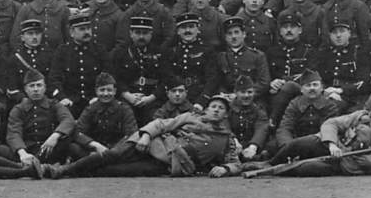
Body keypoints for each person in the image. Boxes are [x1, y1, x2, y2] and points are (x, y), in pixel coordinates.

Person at [44, 95, 242, 178]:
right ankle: (62, 171)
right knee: (112, 155)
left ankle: (75, 168)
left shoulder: (226, 138)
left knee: (117, 171)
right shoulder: (190, 116)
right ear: (207, 109)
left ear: (226, 114)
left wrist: (224, 168)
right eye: (214, 107)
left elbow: (235, 162)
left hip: (170, 163)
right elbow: (161, 124)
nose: (216, 111)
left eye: (221, 109)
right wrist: (146, 135)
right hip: (154, 141)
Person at [69, 72, 139, 161]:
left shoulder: (124, 109)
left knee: (131, 149)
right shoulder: (90, 109)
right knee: (73, 147)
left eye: (109, 90)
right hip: (96, 150)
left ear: (115, 91)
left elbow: (131, 133)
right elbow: (78, 132)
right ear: (96, 91)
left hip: (117, 151)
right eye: (102, 90)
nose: (105, 94)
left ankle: (93, 163)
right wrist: (95, 145)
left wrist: (113, 152)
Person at [49, 13, 107, 117]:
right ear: (71, 32)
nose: (87, 32)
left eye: (88, 28)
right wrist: (62, 98)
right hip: (70, 102)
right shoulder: (63, 51)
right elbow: (54, 79)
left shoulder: (99, 50)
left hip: (95, 100)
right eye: (82, 29)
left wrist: (98, 96)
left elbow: (107, 76)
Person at [229, 76, 271, 161]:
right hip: (231, 147)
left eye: (250, 92)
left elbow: (261, 128)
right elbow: (224, 126)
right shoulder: (228, 109)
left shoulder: (258, 110)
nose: (246, 95)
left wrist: (253, 147)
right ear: (235, 92)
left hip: (250, 149)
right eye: (243, 92)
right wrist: (234, 141)